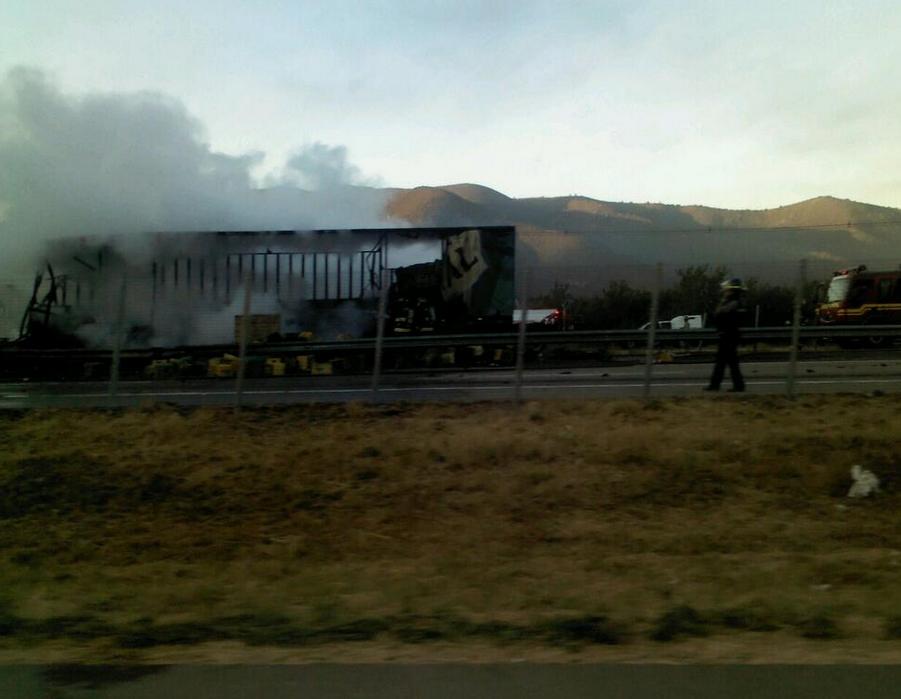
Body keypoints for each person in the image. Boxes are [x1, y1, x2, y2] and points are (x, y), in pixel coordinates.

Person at [704, 278, 747, 392]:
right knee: (728, 362)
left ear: (732, 290)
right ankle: (736, 385)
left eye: (727, 290)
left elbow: (719, 315)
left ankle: (718, 385)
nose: (725, 291)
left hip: (728, 336)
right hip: (730, 335)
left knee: (723, 362)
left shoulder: (733, 303)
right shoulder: (737, 302)